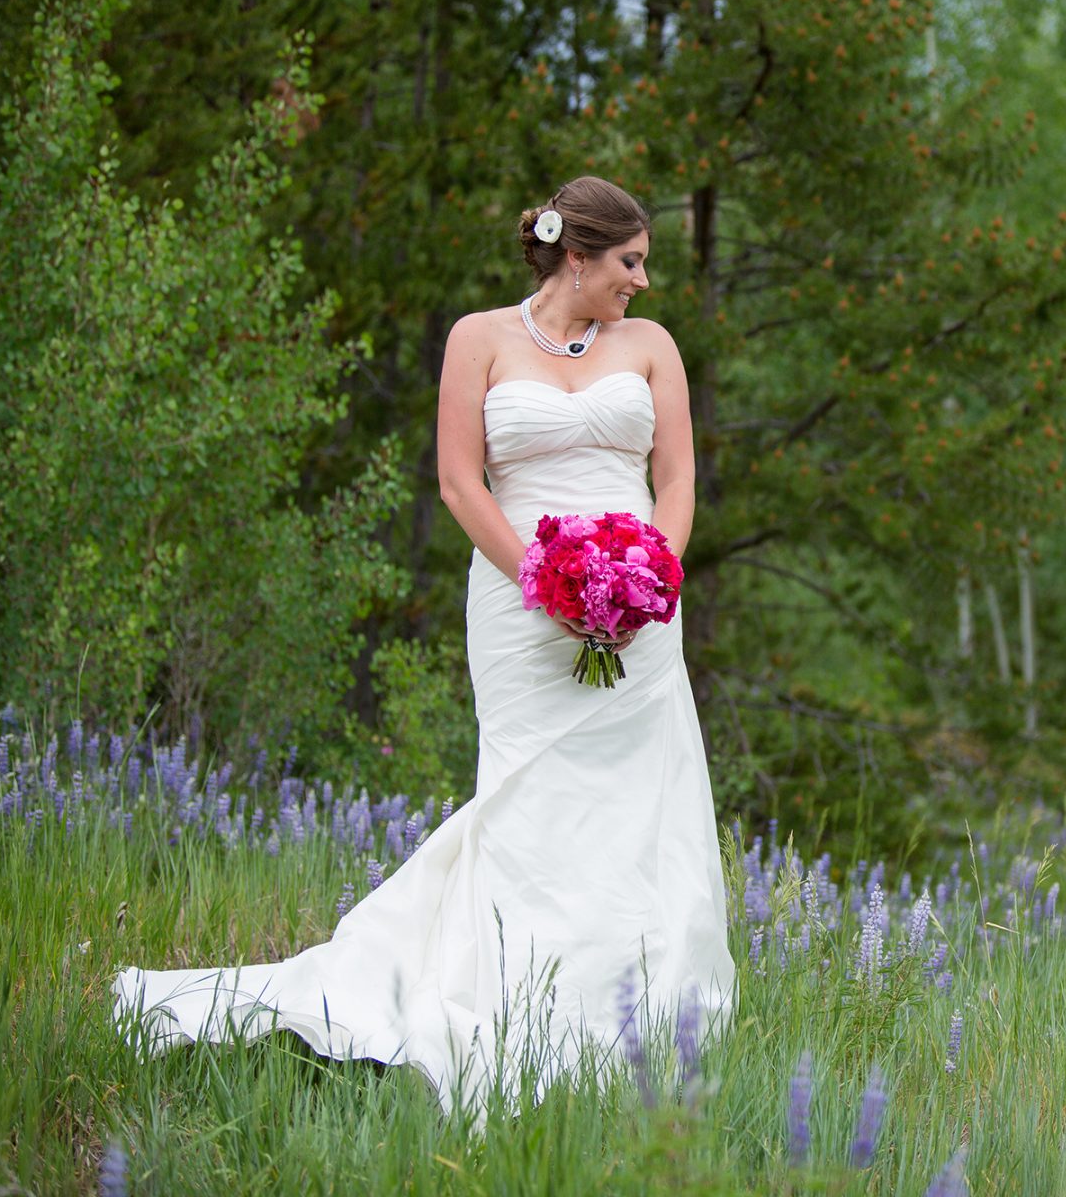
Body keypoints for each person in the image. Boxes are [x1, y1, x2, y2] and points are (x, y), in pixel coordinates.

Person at [110, 176, 737, 1127]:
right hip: (523, 607)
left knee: (639, 798)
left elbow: (678, 478)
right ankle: (521, 1000)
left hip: (639, 619)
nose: (642, 283)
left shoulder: (651, 347)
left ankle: (640, 1010)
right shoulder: (478, 339)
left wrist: (651, 577)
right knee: (532, 796)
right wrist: (548, 583)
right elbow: (457, 482)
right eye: (631, 262)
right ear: (578, 256)